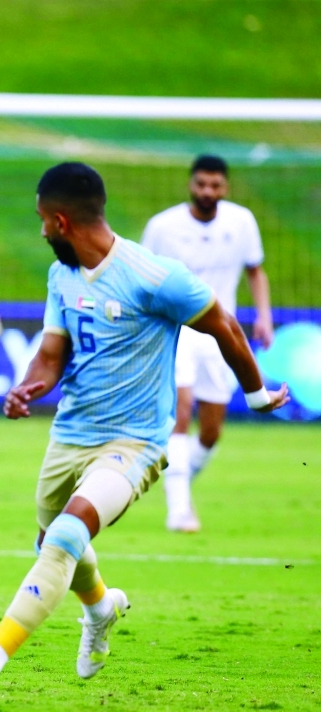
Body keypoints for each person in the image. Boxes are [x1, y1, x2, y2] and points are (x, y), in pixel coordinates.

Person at [0, 162, 288, 705]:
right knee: (52, 541)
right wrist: (28, 387)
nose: (41, 231)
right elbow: (51, 354)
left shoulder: (153, 276)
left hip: (135, 441)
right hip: (71, 434)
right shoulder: (61, 276)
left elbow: (223, 324)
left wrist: (256, 394)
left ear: (62, 221)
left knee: (65, 535)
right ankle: (101, 608)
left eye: (42, 220)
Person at [141, 154, 274, 533]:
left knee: (212, 432)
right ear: (190, 184)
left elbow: (255, 270)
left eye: (215, 185)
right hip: (176, 328)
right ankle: (179, 510)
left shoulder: (242, 221)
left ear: (225, 187)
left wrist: (263, 315)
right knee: (180, 411)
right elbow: (143, 277)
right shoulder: (162, 226)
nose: (207, 191)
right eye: (201, 184)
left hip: (221, 332)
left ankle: (179, 485)